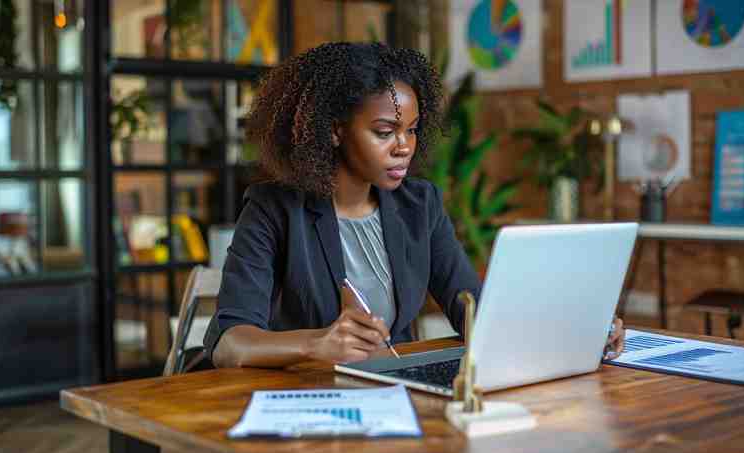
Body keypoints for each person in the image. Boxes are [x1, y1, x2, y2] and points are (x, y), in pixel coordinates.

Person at [204, 42, 625, 369]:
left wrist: (575, 333)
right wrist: (317, 343)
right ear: (334, 131)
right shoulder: (275, 209)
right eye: (385, 131)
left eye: (412, 130)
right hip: (302, 406)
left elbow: (472, 309)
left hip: (393, 393)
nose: (404, 146)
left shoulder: (418, 205)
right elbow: (230, 343)